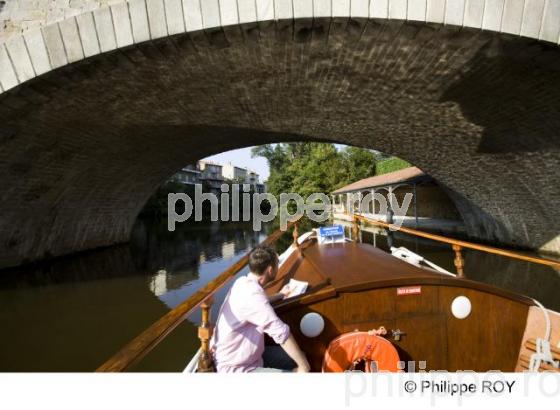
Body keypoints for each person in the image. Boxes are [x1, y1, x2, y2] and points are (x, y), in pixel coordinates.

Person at [210, 245, 311, 373]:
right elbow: (281, 333)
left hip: (251, 357)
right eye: (277, 265)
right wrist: (304, 368)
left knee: (301, 356)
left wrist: (281, 294)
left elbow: (258, 303)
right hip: (237, 368)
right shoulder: (252, 295)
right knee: (301, 368)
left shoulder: (242, 282)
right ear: (270, 270)